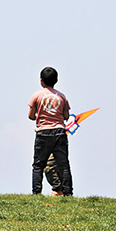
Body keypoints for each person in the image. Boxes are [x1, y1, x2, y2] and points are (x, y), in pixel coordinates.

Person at [28, 66, 73, 196]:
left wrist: (40, 116)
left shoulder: (36, 95)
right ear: (56, 80)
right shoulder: (62, 97)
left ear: (41, 81)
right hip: (59, 131)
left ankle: (36, 192)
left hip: (43, 132)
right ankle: (68, 192)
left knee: (38, 165)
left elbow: (31, 116)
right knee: (63, 164)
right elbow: (66, 116)